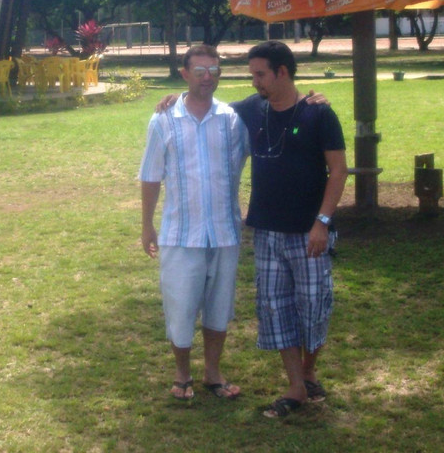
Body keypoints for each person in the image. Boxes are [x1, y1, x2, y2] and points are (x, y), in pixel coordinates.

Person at [232, 40, 347, 418]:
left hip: (309, 232)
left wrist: (323, 223)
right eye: (252, 74)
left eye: (260, 74)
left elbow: (339, 171)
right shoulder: (251, 110)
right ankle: (296, 385)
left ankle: (309, 371)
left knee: (314, 305)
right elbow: (209, 109)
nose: (254, 81)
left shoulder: (319, 114)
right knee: (275, 307)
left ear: (283, 72)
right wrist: (174, 99)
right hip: (266, 230)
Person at [139, 44, 250, 402]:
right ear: (184, 73)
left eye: (214, 70)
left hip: (224, 232)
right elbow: (151, 176)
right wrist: (147, 225)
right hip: (180, 233)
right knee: (181, 307)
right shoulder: (164, 120)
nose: (208, 77)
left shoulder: (233, 120)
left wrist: (312, 101)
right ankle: (182, 373)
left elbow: (276, 125)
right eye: (200, 70)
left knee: (220, 308)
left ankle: (213, 374)